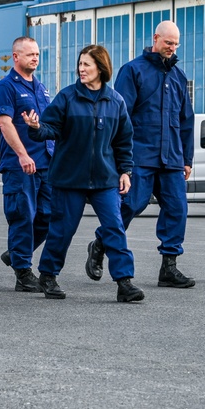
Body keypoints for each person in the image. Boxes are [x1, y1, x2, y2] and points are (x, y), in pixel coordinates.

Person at [23, 44, 143, 303]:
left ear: (101, 67)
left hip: (105, 178)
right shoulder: (67, 97)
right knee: (63, 230)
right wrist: (35, 127)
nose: (81, 68)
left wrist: (126, 171)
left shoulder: (116, 101)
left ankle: (124, 282)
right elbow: (49, 129)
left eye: (87, 64)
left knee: (114, 228)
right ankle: (48, 274)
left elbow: (124, 141)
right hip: (69, 177)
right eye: (80, 64)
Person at [86, 21, 195, 289]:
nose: (172, 48)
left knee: (177, 209)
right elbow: (119, 116)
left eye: (176, 44)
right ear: (156, 38)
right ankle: (100, 243)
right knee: (131, 205)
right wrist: (116, 156)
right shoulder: (133, 70)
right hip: (139, 155)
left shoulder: (179, 77)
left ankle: (169, 267)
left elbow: (186, 120)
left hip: (171, 158)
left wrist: (187, 159)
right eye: (168, 42)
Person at [0, 37, 53, 292]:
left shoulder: (41, 88)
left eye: (37, 54)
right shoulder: (6, 87)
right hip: (21, 164)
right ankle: (23, 272)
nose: (35, 58)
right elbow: (5, 124)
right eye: (29, 54)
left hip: (46, 163)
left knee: (49, 217)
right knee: (22, 217)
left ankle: (16, 253)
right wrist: (22, 154)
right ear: (15, 57)